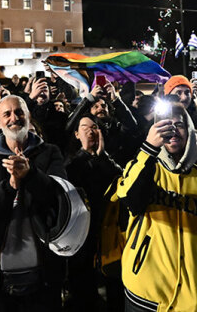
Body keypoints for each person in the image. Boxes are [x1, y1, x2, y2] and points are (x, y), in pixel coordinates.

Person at [114, 102, 197, 312]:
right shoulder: (142, 167)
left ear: (190, 131)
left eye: (180, 125)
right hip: (145, 296)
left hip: (192, 300)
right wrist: (149, 148)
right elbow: (131, 200)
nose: (173, 130)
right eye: (166, 124)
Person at [0, 95, 67, 312]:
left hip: (43, 275)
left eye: (19, 112)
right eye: (7, 114)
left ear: (29, 116)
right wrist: (10, 186)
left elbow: (60, 198)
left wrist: (31, 175)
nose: (14, 118)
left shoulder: (50, 153)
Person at [64, 114, 122, 311]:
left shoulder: (108, 160)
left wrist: (103, 156)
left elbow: (121, 180)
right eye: (85, 127)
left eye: (95, 127)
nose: (91, 130)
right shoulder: (70, 164)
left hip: (108, 232)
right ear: (76, 134)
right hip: (82, 234)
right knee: (84, 289)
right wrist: (89, 156)